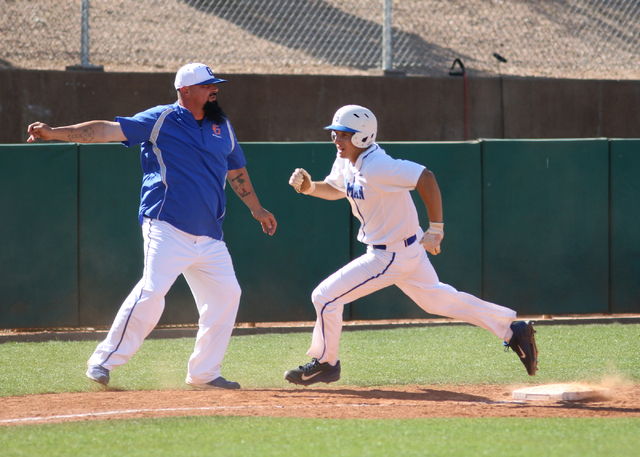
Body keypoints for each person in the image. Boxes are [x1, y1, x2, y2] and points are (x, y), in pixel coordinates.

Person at [27, 62, 277, 390]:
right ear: (184, 91)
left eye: (215, 85)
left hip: (210, 234)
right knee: (152, 291)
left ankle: (203, 373)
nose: (214, 89)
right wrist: (54, 133)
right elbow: (105, 130)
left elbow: (236, 171)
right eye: (206, 85)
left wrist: (256, 208)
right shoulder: (162, 119)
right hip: (166, 224)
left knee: (227, 295)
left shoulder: (222, 126)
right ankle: (103, 361)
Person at [284, 104, 537, 386]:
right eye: (335, 134)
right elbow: (337, 189)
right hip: (402, 250)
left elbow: (425, 177)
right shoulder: (346, 160)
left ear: (362, 137)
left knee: (324, 297)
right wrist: (309, 187)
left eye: (344, 135)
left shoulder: (378, 165)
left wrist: (436, 229)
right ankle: (512, 330)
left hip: (390, 254)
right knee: (438, 300)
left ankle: (326, 364)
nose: (337, 140)